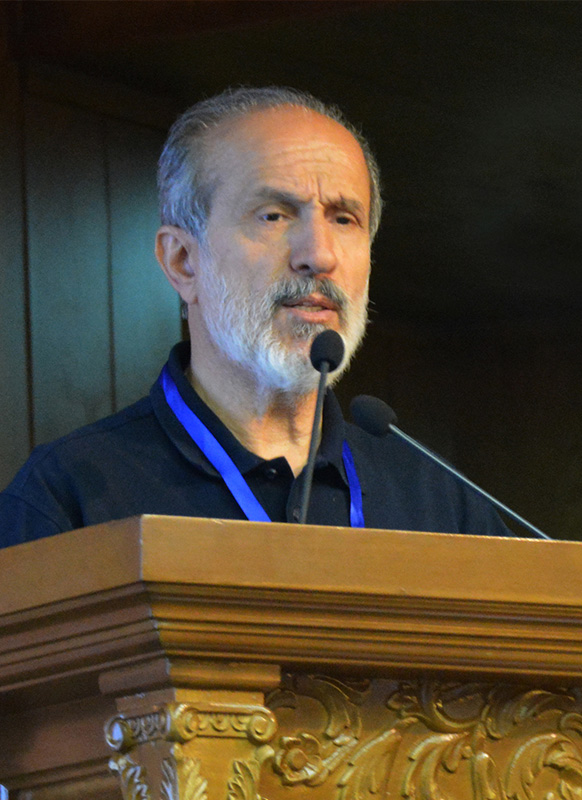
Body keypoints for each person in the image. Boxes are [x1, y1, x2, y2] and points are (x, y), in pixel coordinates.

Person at [0, 86, 511, 545]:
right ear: (183, 262)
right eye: (274, 215)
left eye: (343, 218)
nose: (319, 255)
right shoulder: (69, 496)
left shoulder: (441, 504)